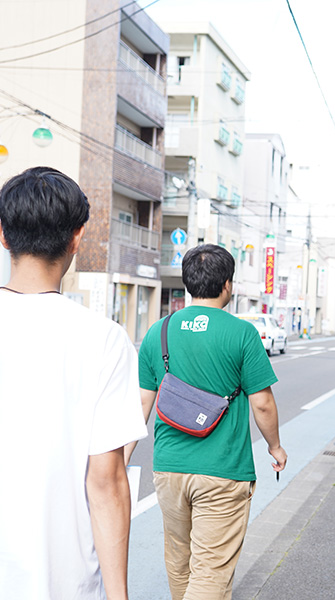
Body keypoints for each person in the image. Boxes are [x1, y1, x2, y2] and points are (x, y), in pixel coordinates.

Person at [0, 167, 147, 599]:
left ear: (4, 235)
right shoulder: (103, 339)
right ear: (77, 238)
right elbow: (106, 481)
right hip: (61, 582)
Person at [133, 243, 287, 600]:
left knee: (179, 561)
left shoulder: (159, 332)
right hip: (223, 470)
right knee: (211, 570)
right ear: (227, 284)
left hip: (169, 469)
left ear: (189, 283)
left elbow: (142, 402)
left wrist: (120, 457)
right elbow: (262, 403)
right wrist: (275, 447)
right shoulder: (242, 333)